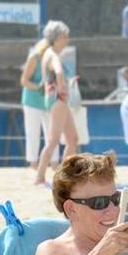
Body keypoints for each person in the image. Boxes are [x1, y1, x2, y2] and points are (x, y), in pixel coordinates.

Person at [33, 21, 81, 185]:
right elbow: (59, 73)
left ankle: (65, 176)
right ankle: (40, 176)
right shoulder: (53, 54)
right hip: (58, 99)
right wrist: (62, 88)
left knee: (72, 139)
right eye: (65, 36)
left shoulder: (48, 53)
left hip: (55, 99)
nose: (68, 39)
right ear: (59, 37)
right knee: (54, 140)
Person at [18, 34, 51, 174]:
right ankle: (33, 163)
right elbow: (23, 80)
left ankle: (53, 163)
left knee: (51, 133)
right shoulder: (34, 58)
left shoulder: (53, 60)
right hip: (32, 100)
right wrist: (38, 86)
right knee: (33, 132)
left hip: (48, 100)